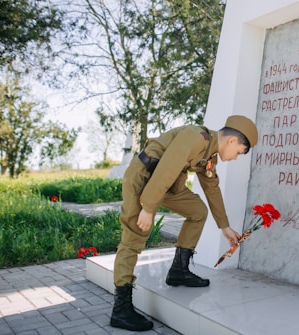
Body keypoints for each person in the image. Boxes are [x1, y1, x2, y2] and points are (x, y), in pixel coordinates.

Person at [110, 115, 258, 331]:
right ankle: (121, 310)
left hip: (167, 185)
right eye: (239, 153)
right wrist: (148, 208)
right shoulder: (195, 137)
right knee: (134, 236)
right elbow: (167, 168)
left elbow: (212, 189)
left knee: (197, 211)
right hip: (143, 179)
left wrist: (224, 226)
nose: (235, 158)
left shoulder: (210, 155)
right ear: (232, 141)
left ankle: (179, 270)